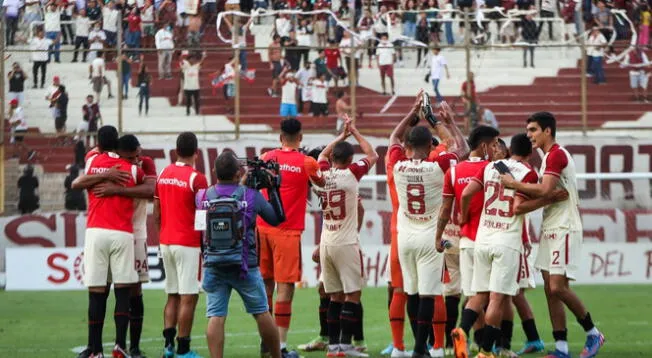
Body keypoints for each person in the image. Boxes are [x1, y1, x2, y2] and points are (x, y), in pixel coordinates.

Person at [500, 112, 606, 358]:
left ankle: (593, 333)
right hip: (551, 225)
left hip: (564, 227)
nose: (529, 135)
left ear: (548, 131)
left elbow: (545, 189)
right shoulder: (548, 158)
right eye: (528, 130)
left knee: (558, 287)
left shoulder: (557, 154)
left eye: (533, 130)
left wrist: (514, 184)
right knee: (550, 289)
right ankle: (561, 347)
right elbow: (546, 194)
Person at [387, 92, 469, 358]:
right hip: (430, 237)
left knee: (410, 291)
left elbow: (393, 138)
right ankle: (422, 348)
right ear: (429, 145)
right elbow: (461, 148)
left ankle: (415, 346)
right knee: (428, 295)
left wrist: (412, 113)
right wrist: (437, 121)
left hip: (405, 237)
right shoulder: (437, 166)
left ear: (408, 146)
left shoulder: (398, 166)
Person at [456, 133, 540, 358]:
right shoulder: (528, 173)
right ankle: (485, 351)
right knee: (497, 299)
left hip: (482, 239)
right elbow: (518, 208)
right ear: (529, 153)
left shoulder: (491, 167)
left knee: (479, 294)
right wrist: (548, 198)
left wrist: (463, 217)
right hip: (506, 241)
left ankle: (462, 329)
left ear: (510, 150)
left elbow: (465, 194)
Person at [199, 151, 285, 358]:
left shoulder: (202, 196)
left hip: (214, 264)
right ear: (238, 172)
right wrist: (272, 188)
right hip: (245, 265)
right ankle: (276, 355)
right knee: (261, 312)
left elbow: (200, 229)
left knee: (216, 315)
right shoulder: (250, 196)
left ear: (214, 171)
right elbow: (276, 219)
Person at [70, 129, 146, 358]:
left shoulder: (92, 161)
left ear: (99, 145)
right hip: (122, 233)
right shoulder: (133, 169)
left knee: (96, 291)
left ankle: (96, 350)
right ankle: (120, 346)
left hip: (95, 232)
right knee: (123, 290)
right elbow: (149, 187)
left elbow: (77, 183)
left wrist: (103, 176)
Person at [257, 118, 325, 357]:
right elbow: (323, 183)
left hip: (262, 228)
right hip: (287, 232)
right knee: (285, 287)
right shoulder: (306, 162)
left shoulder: (265, 158)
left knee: (265, 285)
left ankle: (266, 342)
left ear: (280, 136)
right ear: (301, 137)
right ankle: (281, 347)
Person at [314, 116, 378, 357]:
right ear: (350, 160)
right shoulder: (351, 173)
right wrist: (355, 132)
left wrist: (341, 136)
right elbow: (372, 155)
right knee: (352, 294)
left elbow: (321, 156)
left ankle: (333, 348)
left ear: (332, 159)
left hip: (327, 241)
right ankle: (346, 345)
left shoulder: (321, 173)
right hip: (346, 241)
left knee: (334, 296)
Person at [89, 137, 157, 358]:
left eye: (138, 154)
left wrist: (116, 190)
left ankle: (133, 347)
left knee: (134, 291)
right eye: (132, 156)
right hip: (117, 231)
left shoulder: (145, 164)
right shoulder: (108, 164)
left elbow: (151, 191)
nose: (137, 159)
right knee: (104, 288)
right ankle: (95, 347)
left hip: (136, 233)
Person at [154, 132, 208, 358]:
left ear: (176, 151)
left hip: (166, 241)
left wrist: (163, 234)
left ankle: (168, 347)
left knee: (172, 294)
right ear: (196, 152)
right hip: (187, 243)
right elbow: (202, 217)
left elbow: (156, 213)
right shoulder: (197, 178)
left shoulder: (163, 174)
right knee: (189, 296)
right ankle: (184, 348)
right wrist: (204, 246)